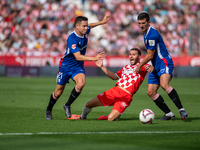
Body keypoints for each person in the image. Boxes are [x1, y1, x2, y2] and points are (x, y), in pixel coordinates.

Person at [45, 15, 109, 120]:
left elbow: (90, 26)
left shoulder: (85, 30)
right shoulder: (72, 38)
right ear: (77, 26)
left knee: (81, 84)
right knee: (58, 92)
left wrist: (101, 22)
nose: (86, 28)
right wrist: (94, 58)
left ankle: (67, 105)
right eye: (83, 26)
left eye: (86, 26)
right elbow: (78, 57)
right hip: (66, 66)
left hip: (77, 67)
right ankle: (49, 109)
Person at [70, 48, 154, 121]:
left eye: (134, 54)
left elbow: (150, 68)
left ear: (139, 57)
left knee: (111, 118)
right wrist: (102, 67)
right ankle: (82, 117)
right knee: (88, 105)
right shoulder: (126, 67)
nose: (131, 56)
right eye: (130, 54)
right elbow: (114, 76)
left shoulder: (142, 66)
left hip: (126, 96)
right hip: (114, 91)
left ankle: (109, 116)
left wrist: (150, 68)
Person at [135, 11, 188, 120]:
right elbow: (152, 55)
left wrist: (139, 65)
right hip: (155, 65)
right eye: (139, 23)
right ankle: (169, 114)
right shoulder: (146, 33)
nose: (141, 26)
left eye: (143, 23)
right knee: (150, 92)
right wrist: (151, 65)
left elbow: (150, 55)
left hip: (164, 62)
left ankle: (181, 110)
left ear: (149, 22)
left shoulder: (152, 34)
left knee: (164, 84)